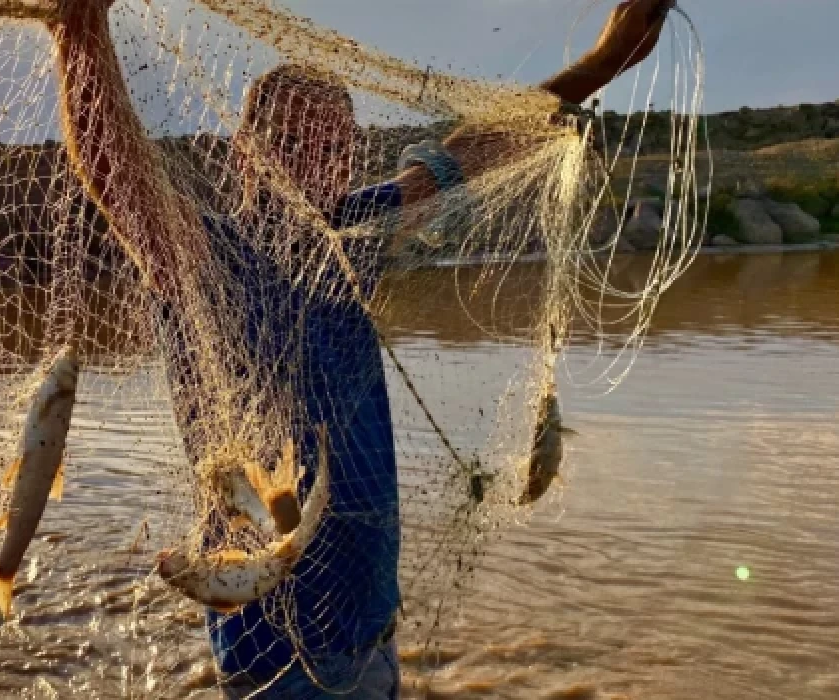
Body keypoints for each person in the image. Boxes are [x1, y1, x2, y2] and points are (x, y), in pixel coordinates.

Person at [44, 1, 670, 696]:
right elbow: (113, 170)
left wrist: (602, 62)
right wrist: (81, 29)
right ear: (244, 150)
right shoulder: (203, 256)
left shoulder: (354, 238)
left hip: (371, 633)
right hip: (273, 653)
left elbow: (469, 151)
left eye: (337, 142)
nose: (319, 158)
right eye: (292, 138)